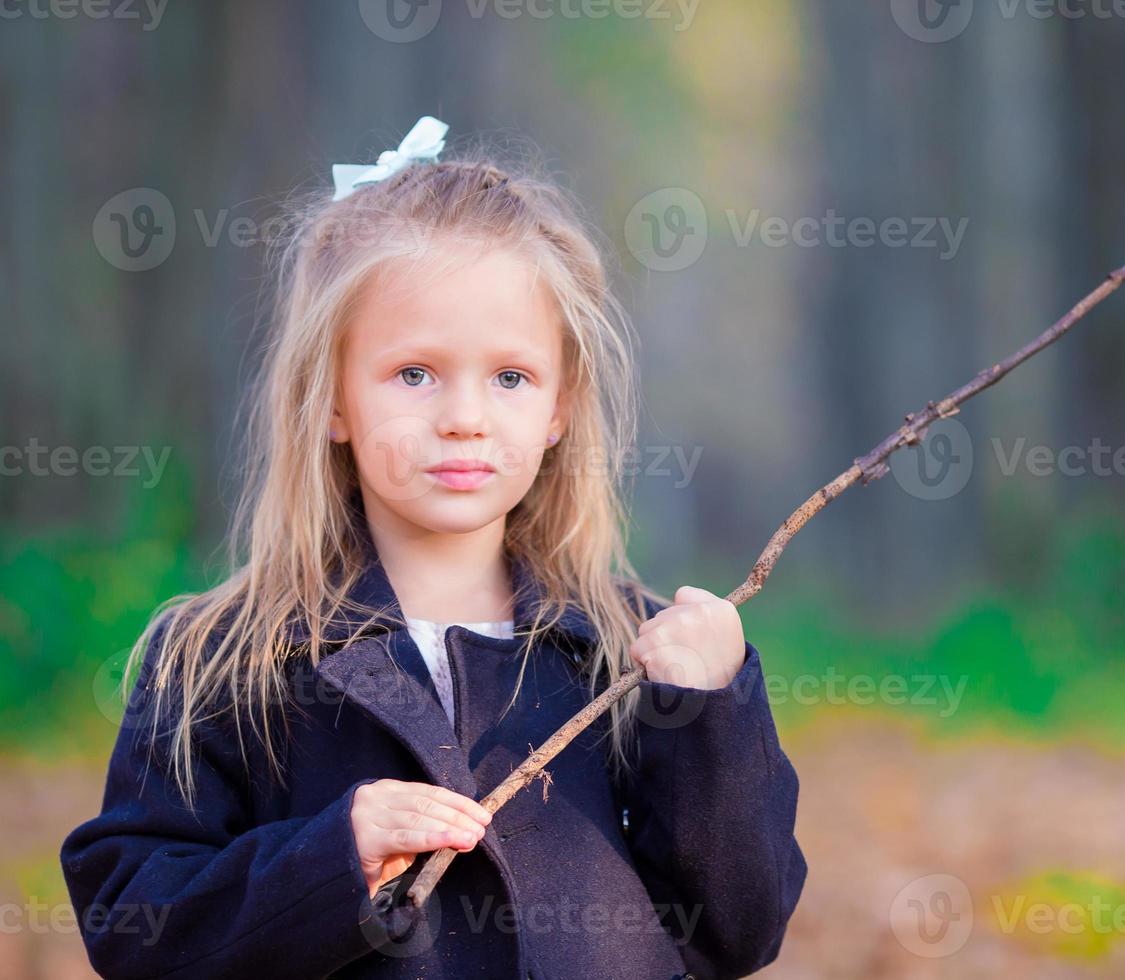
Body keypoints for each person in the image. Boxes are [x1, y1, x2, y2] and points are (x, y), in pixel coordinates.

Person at [59, 116, 806, 979]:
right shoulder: (221, 661)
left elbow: (740, 933)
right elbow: (133, 926)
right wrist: (331, 858)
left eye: (511, 377)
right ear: (330, 399)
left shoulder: (626, 650)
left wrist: (712, 714)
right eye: (414, 374)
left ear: (560, 407)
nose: (464, 416)